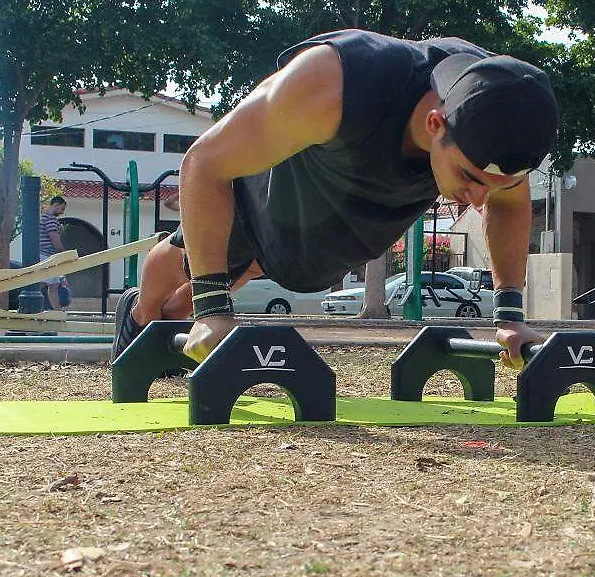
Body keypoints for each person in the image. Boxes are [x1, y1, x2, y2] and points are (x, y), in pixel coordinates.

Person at [111, 29, 559, 368]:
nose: (479, 199)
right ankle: (139, 311)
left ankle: (175, 316)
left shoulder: (505, 111)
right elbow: (204, 164)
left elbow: (511, 203)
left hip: (336, 210)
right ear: (435, 124)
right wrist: (212, 309)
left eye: (492, 186)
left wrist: (510, 316)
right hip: (275, 176)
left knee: (252, 267)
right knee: (201, 253)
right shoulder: (335, 81)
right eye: (469, 176)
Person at [39, 196, 69, 310]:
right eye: (61, 209)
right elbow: (55, 240)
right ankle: (56, 310)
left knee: (50, 284)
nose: (62, 212)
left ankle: (55, 309)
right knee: (51, 284)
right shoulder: (50, 220)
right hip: (46, 256)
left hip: (43, 255)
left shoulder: (42, 218)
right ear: (55, 205)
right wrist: (64, 254)